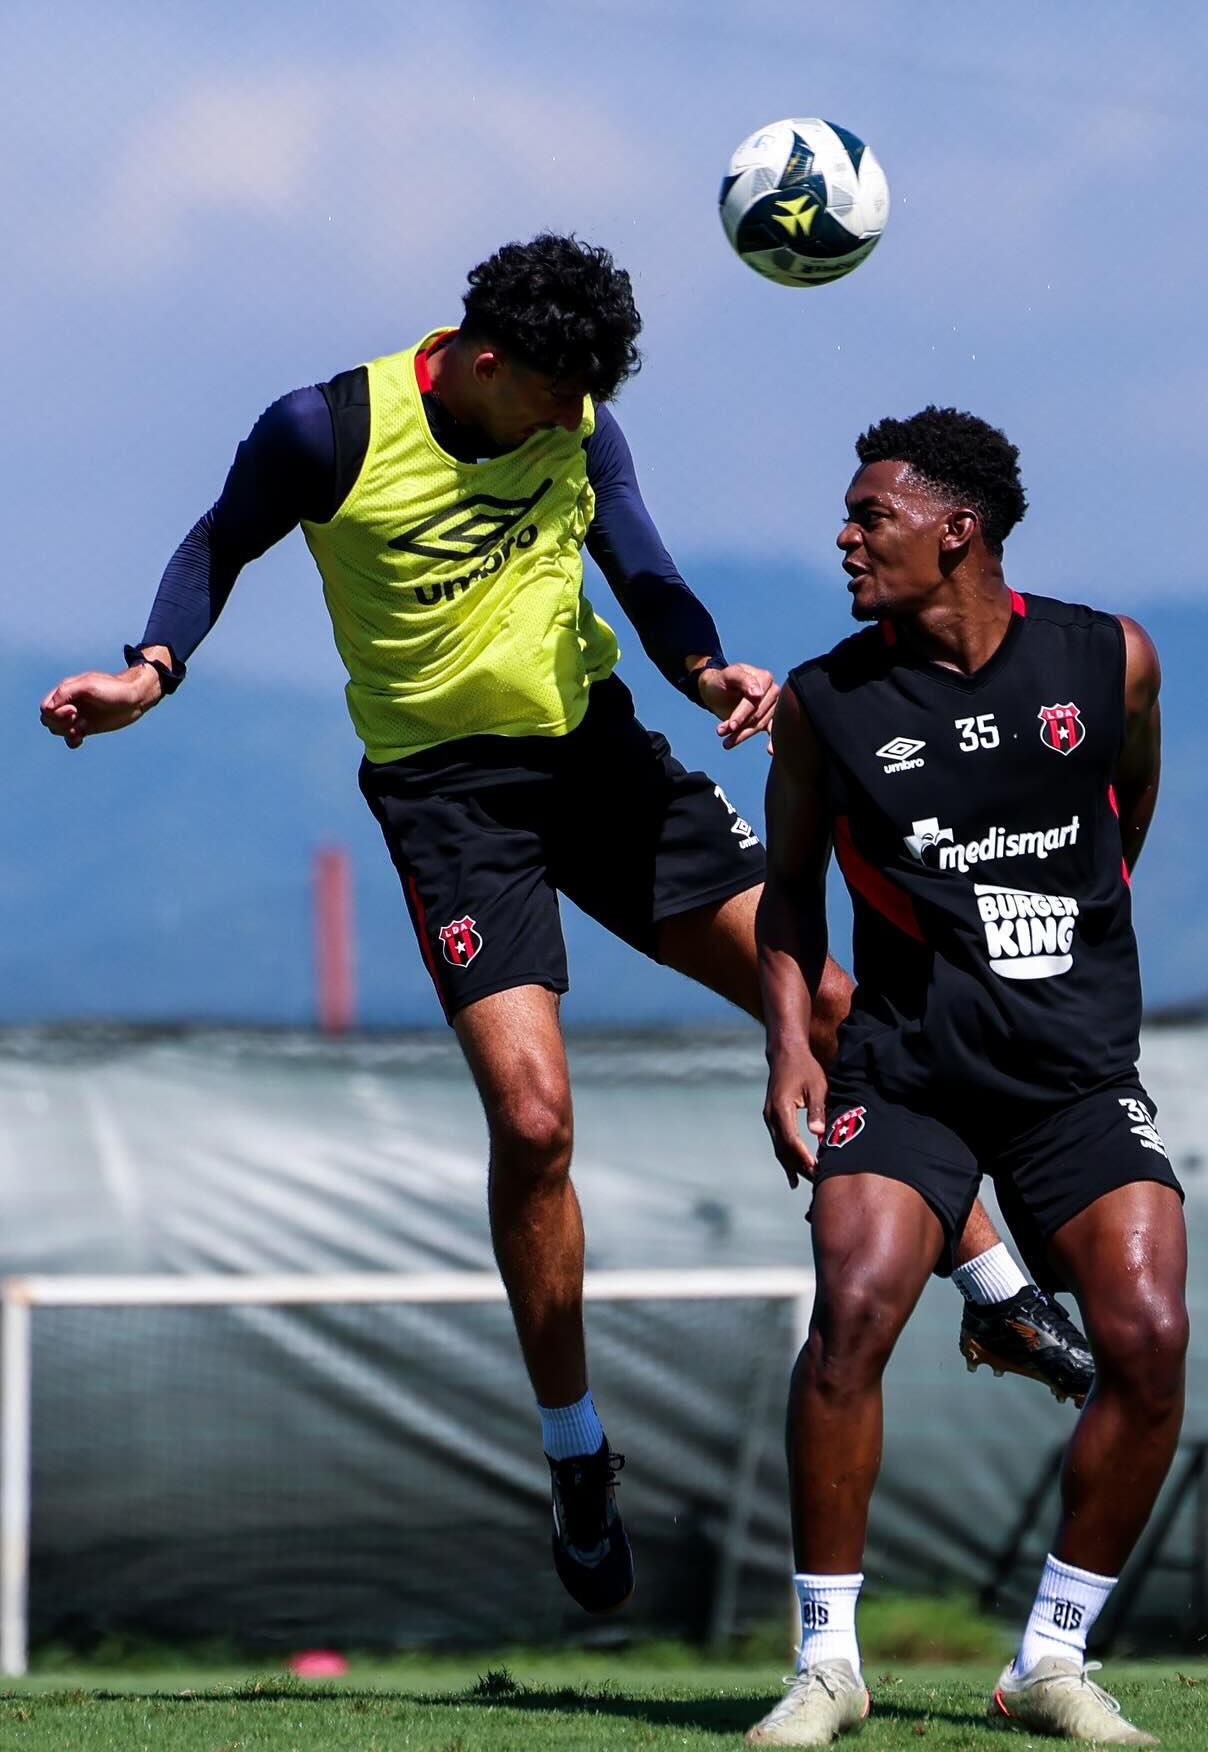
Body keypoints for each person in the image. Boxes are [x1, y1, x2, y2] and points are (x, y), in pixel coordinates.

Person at [37, 238, 1079, 1618]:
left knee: (831, 1003)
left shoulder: (578, 417)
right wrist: (149, 672)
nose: (575, 416)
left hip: (599, 763)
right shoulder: (326, 430)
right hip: (449, 804)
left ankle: (998, 1291)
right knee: (534, 1126)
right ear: (484, 361)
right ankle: (578, 1454)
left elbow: (639, 563)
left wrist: (706, 669)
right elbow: (217, 542)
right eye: (554, 392)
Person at [747, 406, 1186, 1746]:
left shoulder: (1108, 659)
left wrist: (1069, 943)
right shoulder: (824, 704)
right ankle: (827, 1666)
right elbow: (788, 896)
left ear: (959, 531)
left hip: (1073, 1076)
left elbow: (1127, 811)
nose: (844, 538)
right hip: (906, 1073)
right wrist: (787, 1047)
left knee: (1148, 1341)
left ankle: (1050, 1661)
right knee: (852, 1316)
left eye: (869, 516)